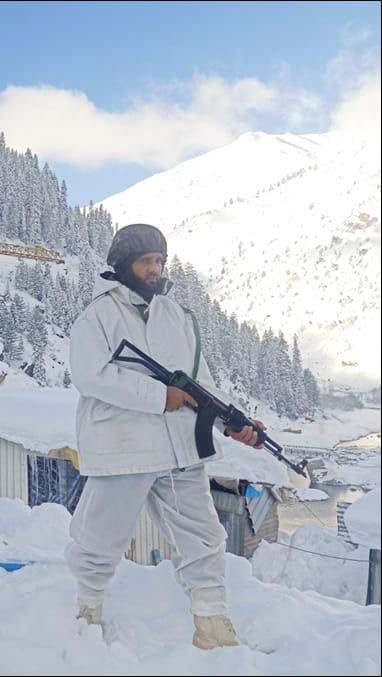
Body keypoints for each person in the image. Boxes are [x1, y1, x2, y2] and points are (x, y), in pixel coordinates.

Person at [67, 223, 266, 650]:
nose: (155, 269)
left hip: (179, 450)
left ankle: (212, 622)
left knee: (204, 537)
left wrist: (232, 421)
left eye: (159, 260)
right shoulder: (98, 315)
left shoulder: (177, 316)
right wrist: (159, 396)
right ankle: (88, 612)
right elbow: (91, 376)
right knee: (101, 538)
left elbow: (200, 383)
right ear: (122, 265)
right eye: (146, 261)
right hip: (124, 448)